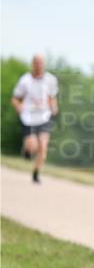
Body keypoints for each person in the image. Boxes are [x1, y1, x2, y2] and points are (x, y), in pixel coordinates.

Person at [12, 55, 59, 184]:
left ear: (44, 64)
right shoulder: (25, 80)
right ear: (33, 64)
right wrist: (19, 107)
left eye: (41, 63)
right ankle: (27, 150)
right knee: (33, 146)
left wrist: (54, 107)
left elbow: (52, 97)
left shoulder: (50, 80)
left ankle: (36, 173)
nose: (39, 65)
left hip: (44, 116)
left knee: (43, 147)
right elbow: (15, 98)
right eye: (37, 62)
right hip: (28, 117)